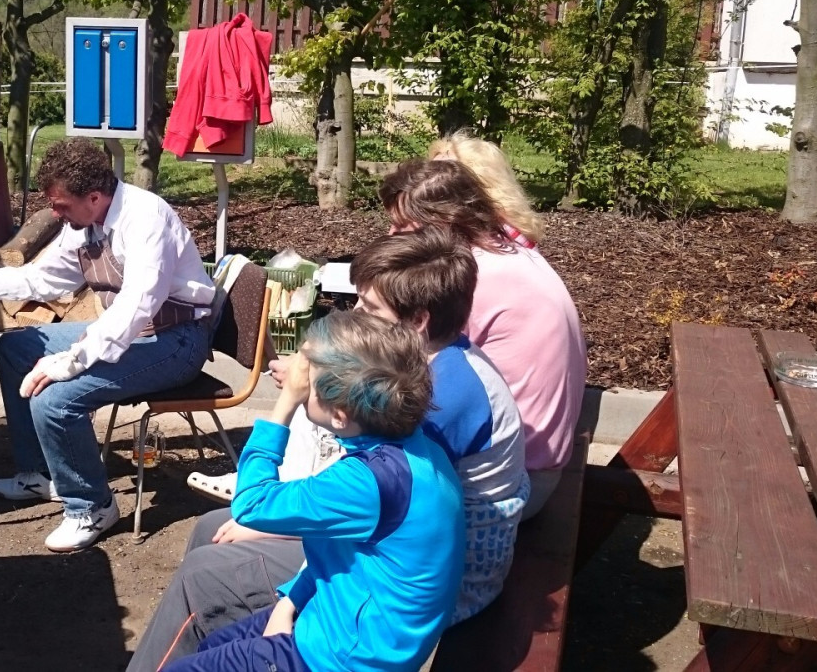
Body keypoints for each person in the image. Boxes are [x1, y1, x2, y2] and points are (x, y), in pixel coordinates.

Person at [126, 229, 526, 672]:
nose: (356, 315)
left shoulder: (439, 404)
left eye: (369, 307)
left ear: (417, 322)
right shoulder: (404, 392)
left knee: (203, 576)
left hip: (372, 629)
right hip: (371, 582)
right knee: (212, 535)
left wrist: (287, 402)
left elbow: (280, 504)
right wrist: (290, 599)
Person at [163, 311, 463, 672]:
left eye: (308, 378)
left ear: (339, 416)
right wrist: (289, 602)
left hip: (342, 658)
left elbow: (251, 504)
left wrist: (286, 404)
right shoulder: (415, 450)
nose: (297, 378)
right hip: (349, 621)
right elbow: (340, 556)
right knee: (213, 644)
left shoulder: (367, 482)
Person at [0, 138, 217, 552]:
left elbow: (138, 304)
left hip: (177, 341)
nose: (54, 213)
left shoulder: (145, 219)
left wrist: (73, 360)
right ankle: (42, 473)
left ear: (94, 197)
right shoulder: (84, 222)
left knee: (55, 398)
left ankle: (91, 506)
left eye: (60, 205)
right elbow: (43, 279)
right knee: (15, 349)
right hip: (136, 331)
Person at [379, 157, 587, 516]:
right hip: (531, 458)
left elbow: (402, 367)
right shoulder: (505, 251)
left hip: (510, 484)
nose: (391, 236)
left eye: (402, 226)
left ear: (441, 223)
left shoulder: (472, 282)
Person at [427, 128, 544, 246]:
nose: (429, 183)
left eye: (444, 175)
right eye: (430, 173)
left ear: (480, 183)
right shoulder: (503, 225)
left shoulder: (494, 239)